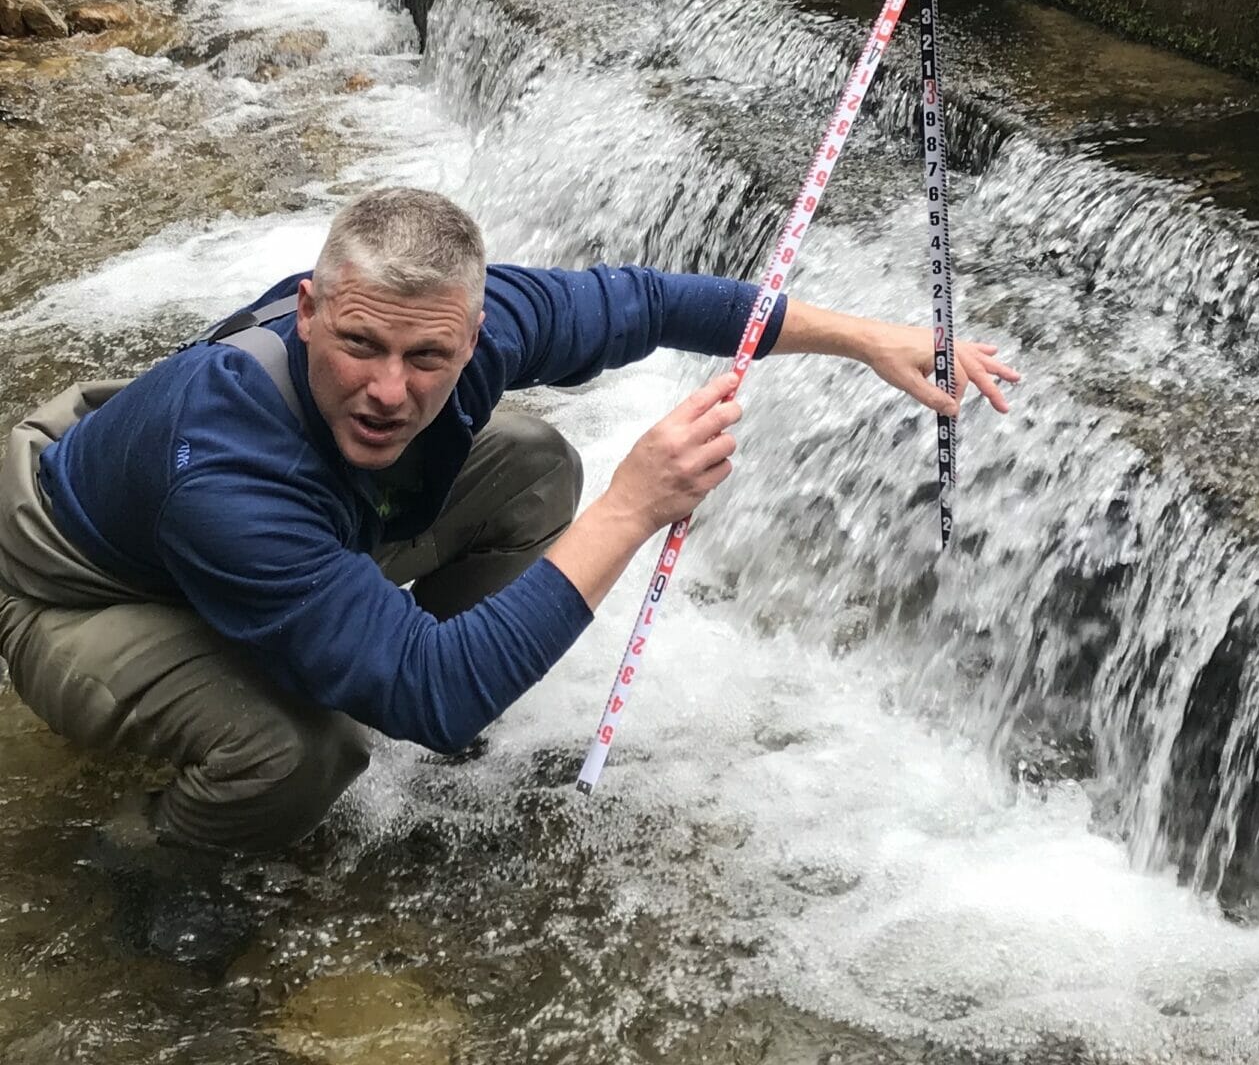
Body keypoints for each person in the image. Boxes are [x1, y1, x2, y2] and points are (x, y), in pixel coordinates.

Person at [0, 188, 1018, 861]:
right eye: (357, 345)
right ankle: (142, 865)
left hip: (233, 511)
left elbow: (654, 303)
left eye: (427, 360)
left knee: (529, 462)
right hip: (83, 588)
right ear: (306, 310)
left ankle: (378, 638)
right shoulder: (226, 468)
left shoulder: (485, 319)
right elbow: (427, 697)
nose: (388, 390)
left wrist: (862, 334)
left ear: (477, 332)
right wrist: (633, 505)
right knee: (305, 751)